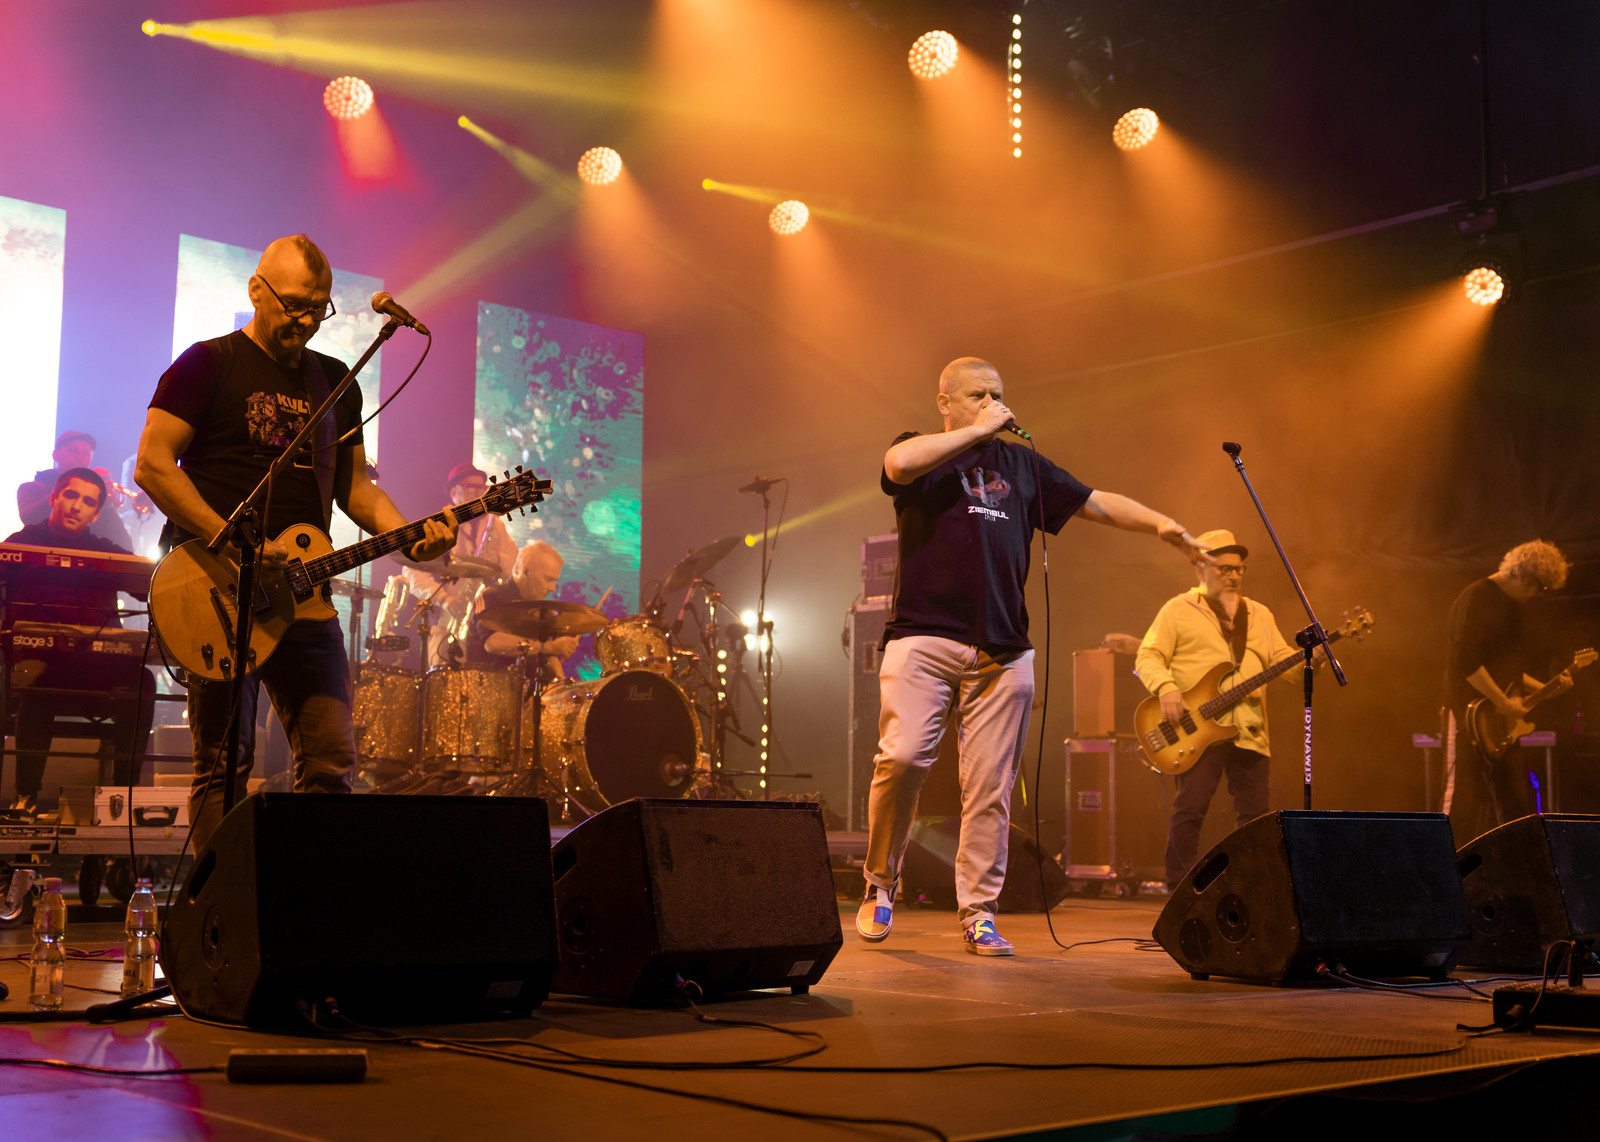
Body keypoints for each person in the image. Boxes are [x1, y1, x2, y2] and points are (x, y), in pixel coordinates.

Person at [859, 356, 1204, 956]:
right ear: (945, 402)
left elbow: (1096, 501)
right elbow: (897, 466)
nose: (992, 403)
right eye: (978, 394)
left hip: (1004, 649)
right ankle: (879, 881)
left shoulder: (1022, 464)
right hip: (923, 637)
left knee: (990, 788)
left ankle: (978, 912)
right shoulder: (920, 450)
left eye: (997, 394)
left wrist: (1162, 525)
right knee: (904, 757)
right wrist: (976, 432)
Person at [135, 234, 458, 851]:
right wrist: (234, 541)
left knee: (332, 759)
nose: (307, 320)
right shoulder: (208, 363)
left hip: (305, 595)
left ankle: (312, 894)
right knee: (223, 765)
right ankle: (218, 899)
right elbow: (153, 465)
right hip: (220, 587)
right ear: (257, 290)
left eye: (319, 308)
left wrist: (410, 537)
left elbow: (355, 489)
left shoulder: (335, 382)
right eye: (294, 305)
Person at [1134, 530, 1304, 888]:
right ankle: (1179, 890)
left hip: (1250, 729)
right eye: (1224, 568)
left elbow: (1282, 660)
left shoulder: (1258, 613)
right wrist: (1166, 688)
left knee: (1254, 817)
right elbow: (1148, 655)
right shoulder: (1178, 610)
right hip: (1195, 730)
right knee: (1190, 809)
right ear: (1200, 569)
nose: (1233, 575)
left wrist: (1309, 662)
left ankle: (1248, 886)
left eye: (1239, 569)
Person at [3, 469, 155, 815]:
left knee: (143, 683)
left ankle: (124, 796)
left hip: (95, 673)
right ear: (54, 498)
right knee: (38, 685)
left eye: (88, 502)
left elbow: (148, 584)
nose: (77, 506)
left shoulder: (104, 550)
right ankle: (25, 796)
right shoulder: (22, 542)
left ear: (96, 514)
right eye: (71, 495)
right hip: (37, 669)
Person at [1442, 539, 1571, 843]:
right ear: (1524, 576)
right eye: (1540, 587)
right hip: (1467, 716)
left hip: (1501, 721)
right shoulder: (1475, 597)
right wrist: (1502, 701)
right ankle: (1448, 866)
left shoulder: (1511, 607)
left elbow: (1508, 666)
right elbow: (1466, 661)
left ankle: (1514, 866)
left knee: (1515, 804)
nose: (1538, 595)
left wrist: (1546, 688)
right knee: (1461, 803)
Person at [397, 462, 520, 666]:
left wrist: (498, 560)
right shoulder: (438, 525)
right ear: (454, 492)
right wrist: (445, 600)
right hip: (447, 622)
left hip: (485, 625)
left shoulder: (494, 526)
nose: (478, 492)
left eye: (481, 487)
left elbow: (516, 568)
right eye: (470, 487)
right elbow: (412, 572)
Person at [467, 541, 580, 671]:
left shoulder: (538, 607)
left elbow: (547, 653)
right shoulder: (493, 596)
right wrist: (549, 646)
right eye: (548, 579)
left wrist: (561, 680)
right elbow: (493, 643)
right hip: (487, 680)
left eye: (555, 581)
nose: (553, 588)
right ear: (525, 571)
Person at [17, 431, 136, 551]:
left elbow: (124, 545)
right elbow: (30, 517)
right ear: (55, 455)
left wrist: (106, 507)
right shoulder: (31, 487)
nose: (79, 457)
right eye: (73, 450)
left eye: (86, 453)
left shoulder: (94, 495)